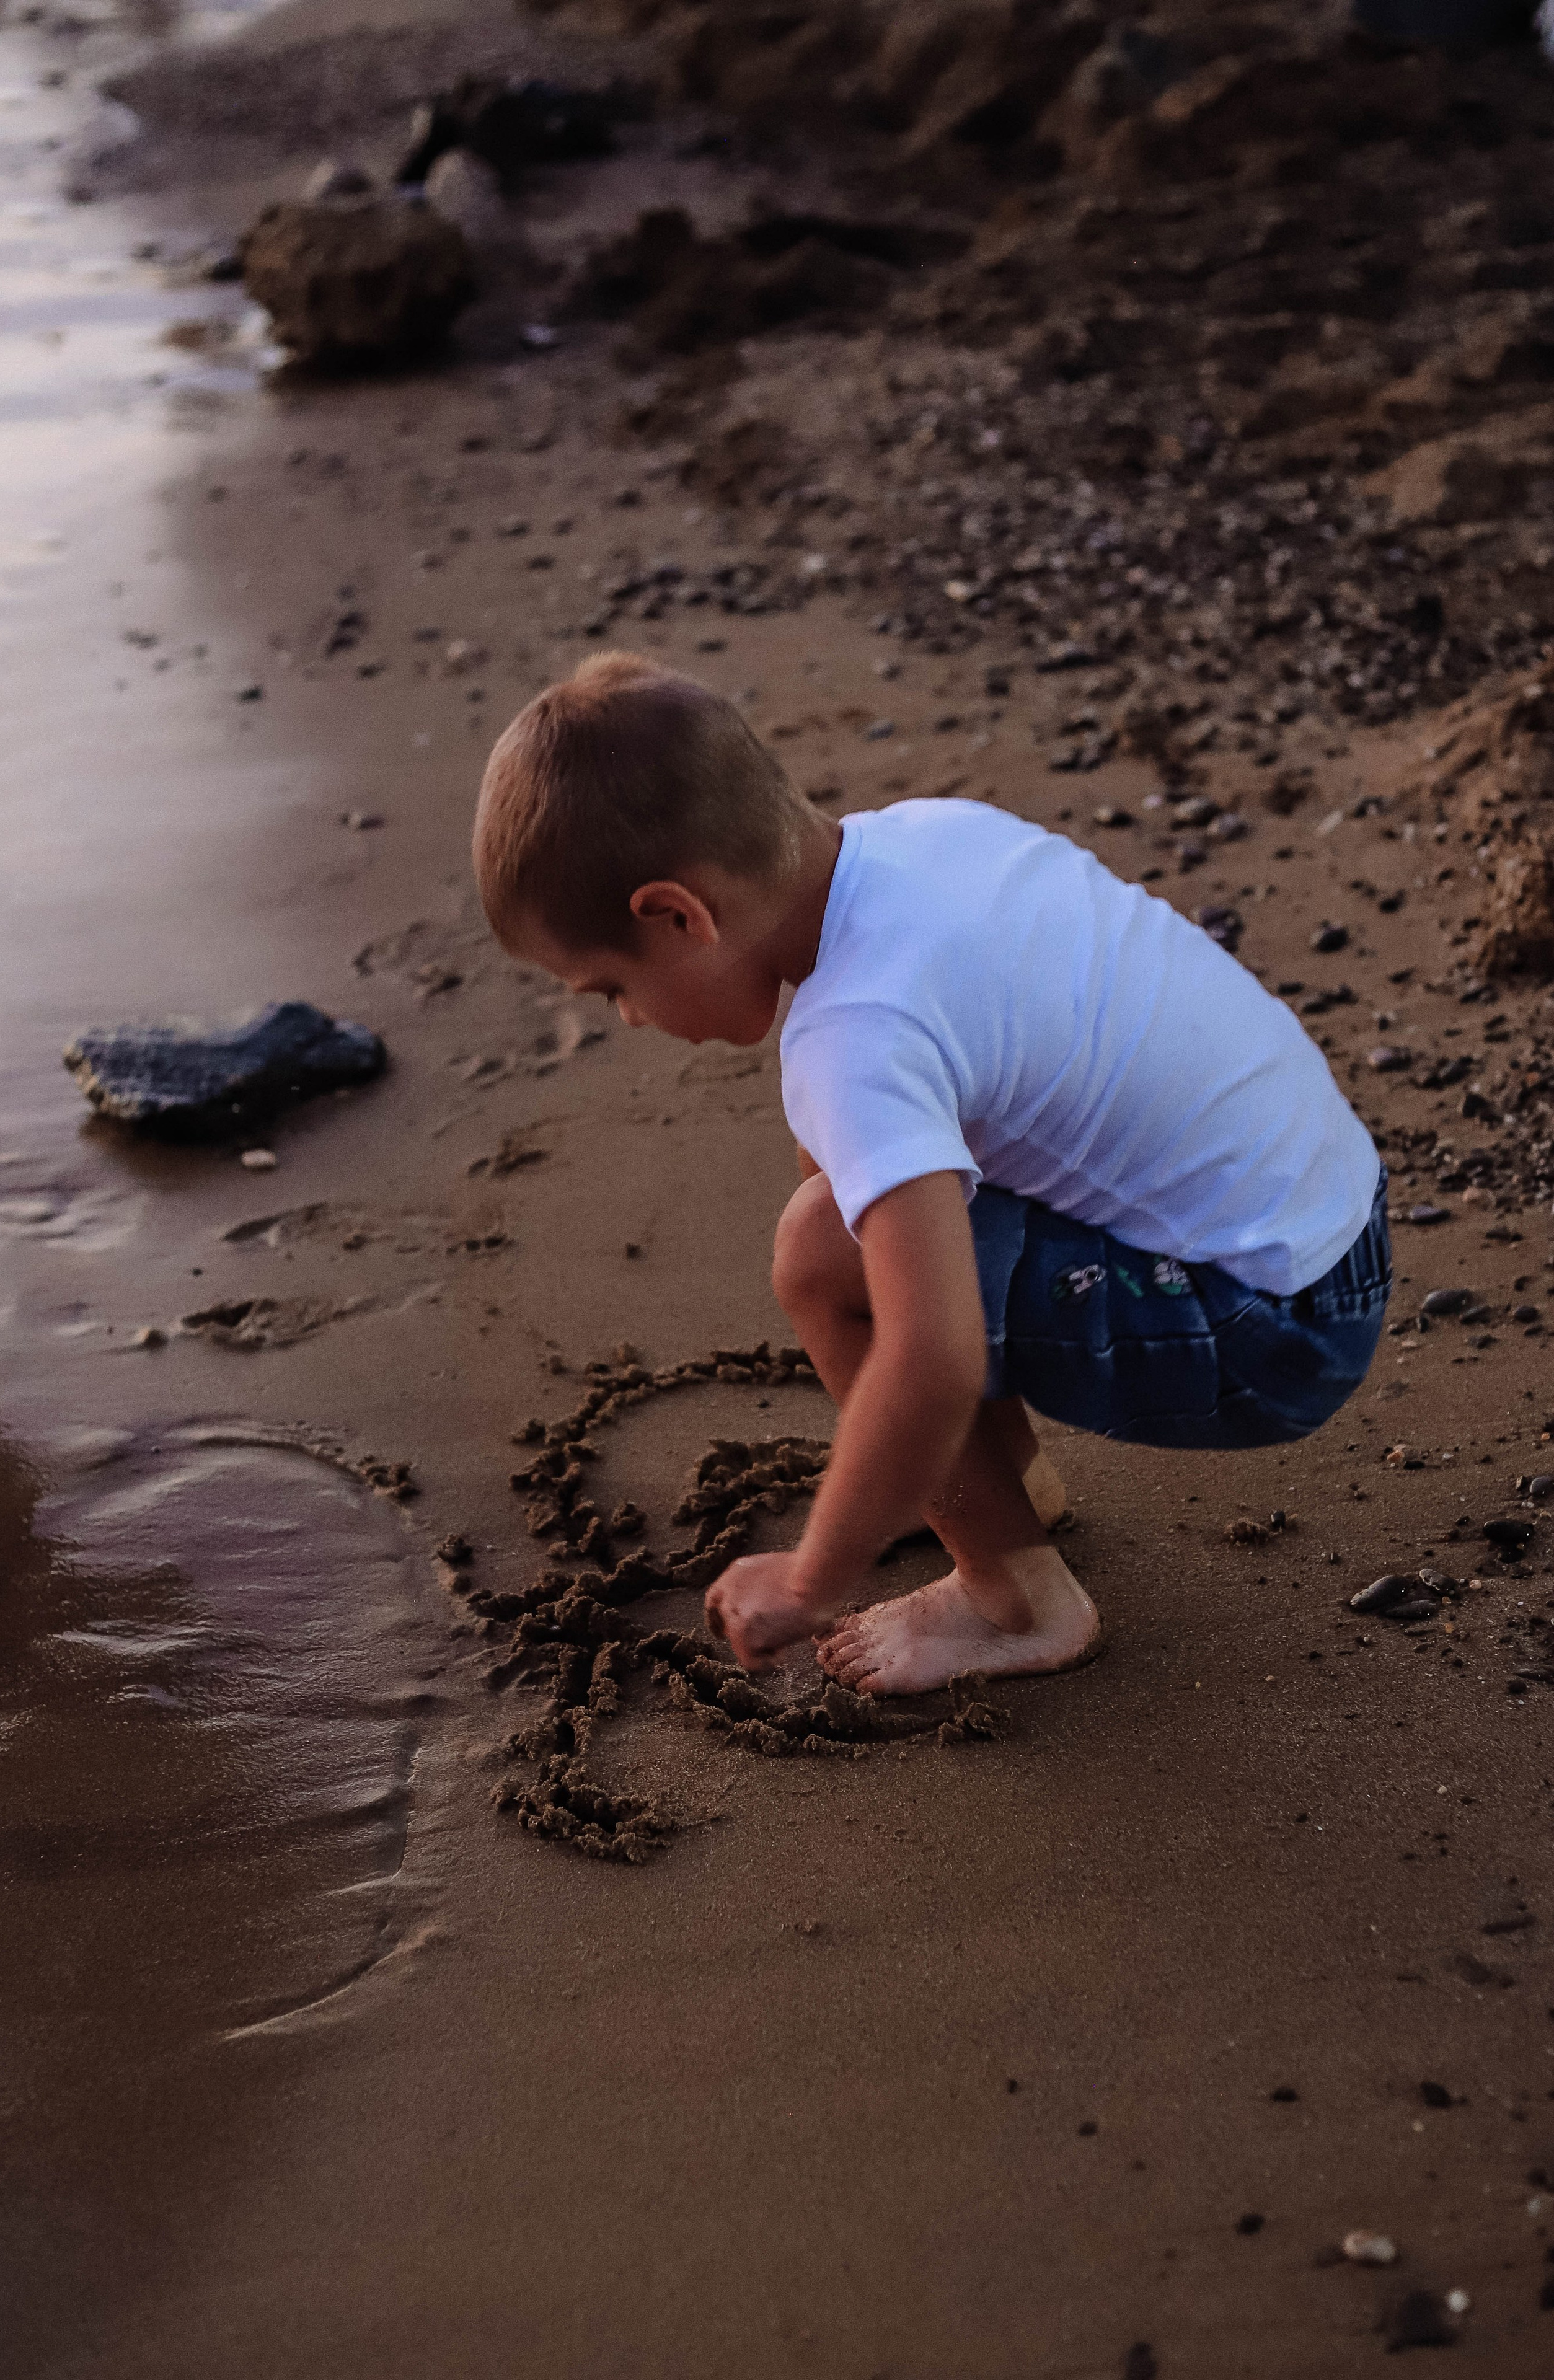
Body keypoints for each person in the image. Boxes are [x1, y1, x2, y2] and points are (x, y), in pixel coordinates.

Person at [472, 651, 1390, 1696]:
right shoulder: (923, 839)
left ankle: (1018, 1598)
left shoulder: (857, 1035)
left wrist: (816, 1577)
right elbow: (859, 1176)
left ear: (679, 916)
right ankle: (1007, 1488)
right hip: (1334, 1226)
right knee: (859, 1218)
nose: (629, 1018)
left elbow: (935, 1351)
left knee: (822, 1263)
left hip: (1269, 1332)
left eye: (611, 991)